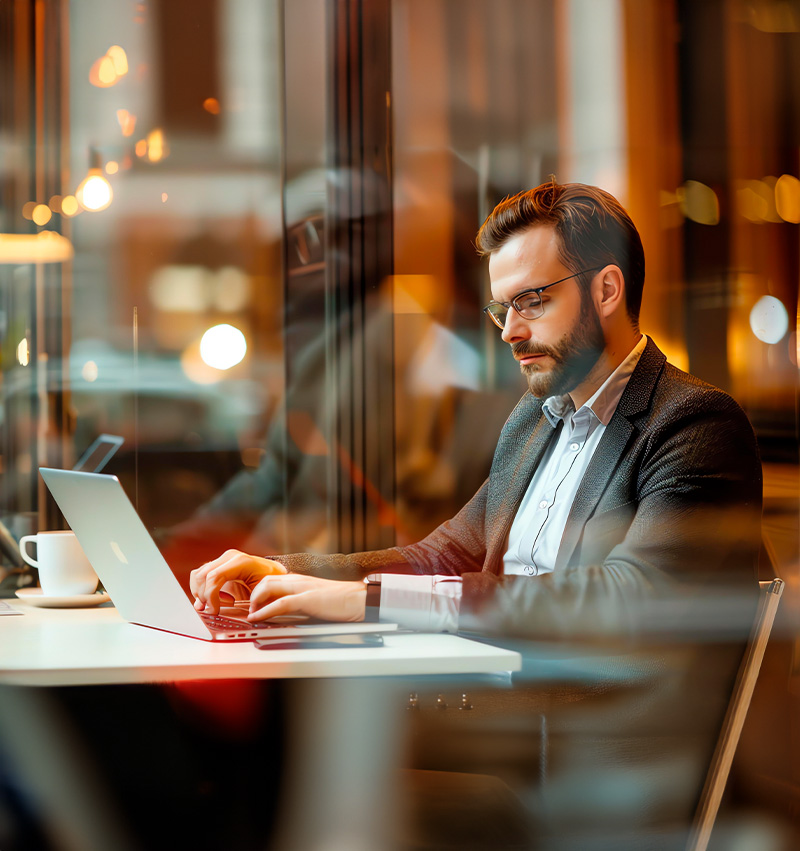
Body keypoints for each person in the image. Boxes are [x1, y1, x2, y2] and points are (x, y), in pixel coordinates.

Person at [189, 180, 762, 638]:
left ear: (607, 291)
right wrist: (289, 571)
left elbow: (625, 596)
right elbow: (443, 554)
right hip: (499, 693)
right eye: (502, 309)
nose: (511, 332)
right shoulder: (535, 418)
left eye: (532, 301)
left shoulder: (694, 425)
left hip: (584, 739)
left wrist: (369, 603)